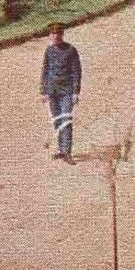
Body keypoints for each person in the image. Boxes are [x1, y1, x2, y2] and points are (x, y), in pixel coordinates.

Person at [40, 23, 81, 164]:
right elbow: (45, 71)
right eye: (52, 34)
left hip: (67, 92)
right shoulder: (49, 50)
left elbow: (76, 72)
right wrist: (44, 91)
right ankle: (60, 149)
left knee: (66, 120)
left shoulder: (71, 50)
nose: (55, 36)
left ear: (62, 35)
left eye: (58, 33)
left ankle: (67, 152)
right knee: (57, 120)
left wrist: (75, 92)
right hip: (52, 91)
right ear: (49, 36)